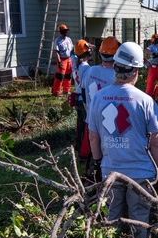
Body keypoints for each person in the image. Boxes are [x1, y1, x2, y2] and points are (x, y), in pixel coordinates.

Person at [87, 41, 158, 238]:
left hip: (111, 170)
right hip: (141, 174)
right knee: (140, 219)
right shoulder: (145, 100)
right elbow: (156, 142)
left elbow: (93, 137)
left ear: (115, 67)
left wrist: (97, 162)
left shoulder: (97, 98)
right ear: (136, 72)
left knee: (111, 217)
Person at [81, 37, 120, 179]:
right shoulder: (115, 77)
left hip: (91, 119)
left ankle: (91, 177)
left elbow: (84, 96)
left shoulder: (90, 71)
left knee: (93, 152)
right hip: (108, 122)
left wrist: (89, 113)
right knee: (108, 153)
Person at [71, 39, 93, 168]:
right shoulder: (87, 69)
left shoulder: (75, 63)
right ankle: (84, 154)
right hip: (83, 98)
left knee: (80, 126)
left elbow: (72, 53)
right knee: (86, 127)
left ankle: (78, 149)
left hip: (77, 97)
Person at [51, 24, 75, 96]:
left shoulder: (69, 39)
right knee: (60, 76)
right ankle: (56, 92)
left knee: (68, 75)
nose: (66, 33)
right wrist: (59, 61)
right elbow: (57, 52)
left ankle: (66, 91)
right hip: (62, 59)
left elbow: (72, 49)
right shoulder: (57, 41)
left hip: (69, 59)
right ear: (61, 32)